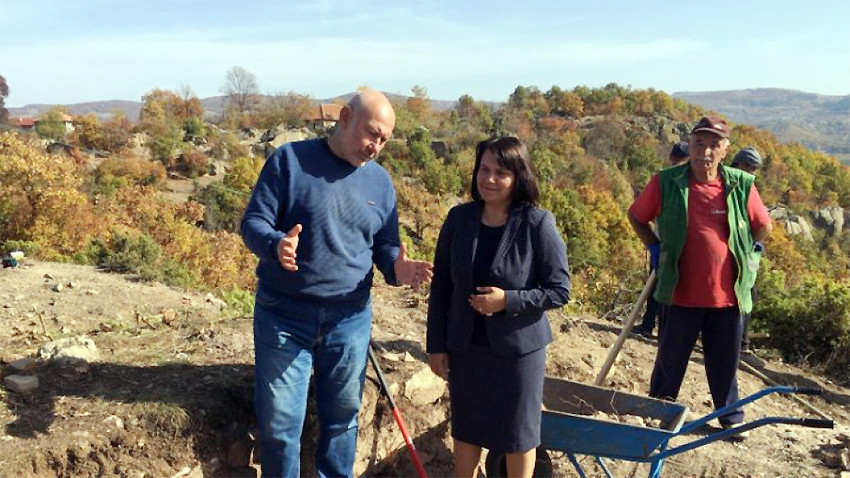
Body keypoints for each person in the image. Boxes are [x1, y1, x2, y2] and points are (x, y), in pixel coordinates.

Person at [241, 90, 434, 478]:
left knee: (343, 420)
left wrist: (399, 270)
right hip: (285, 316)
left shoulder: (380, 183)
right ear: (344, 117)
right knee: (280, 426)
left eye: (384, 140)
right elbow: (252, 224)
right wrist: (275, 244)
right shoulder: (290, 161)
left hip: (349, 319)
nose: (376, 146)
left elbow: (385, 247)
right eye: (371, 134)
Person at [426, 137, 570, 478]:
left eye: (500, 172)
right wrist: (436, 345)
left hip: (518, 354)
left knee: (518, 436)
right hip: (466, 348)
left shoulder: (537, 223)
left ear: (518, 177)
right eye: (484, 170)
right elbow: (442, 286)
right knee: (467, 432)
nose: (488, 179)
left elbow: (559, 290)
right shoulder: (459, 219)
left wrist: (509, 300)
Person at [628, 116, 772, 434]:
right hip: (680, 292)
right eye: (700, 143)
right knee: (670, 360)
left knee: (724, 364)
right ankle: (659, 413)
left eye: (714, 145)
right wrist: (653, 244)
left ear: (725, 150)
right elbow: (637, 215)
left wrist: (752, 250)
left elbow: (762, 224)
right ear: (690, 144)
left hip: (727, 295)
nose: (705, 151)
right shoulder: (667, 181)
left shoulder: (740, 184)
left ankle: (731, 419)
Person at [634, 141, 690, 338]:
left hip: (663, 242)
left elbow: (638, 215)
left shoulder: (665, 179)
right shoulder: (689, 180)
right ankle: (666, 330)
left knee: (658, 289)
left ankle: (648, 326)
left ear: (672, 156)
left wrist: (652, 242)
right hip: (684, 246)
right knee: (675, 292)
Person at [731, 146, 765, 350]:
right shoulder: (742, 184)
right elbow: (763, 225)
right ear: (741, 164)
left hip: (745, 247)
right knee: (745, 292)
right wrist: (750, 244)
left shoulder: (731, 181)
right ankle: (740, 342)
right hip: (745, 248)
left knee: (747, 292)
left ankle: (740, 341)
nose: (753, 173)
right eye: (751, 167)